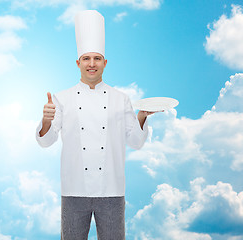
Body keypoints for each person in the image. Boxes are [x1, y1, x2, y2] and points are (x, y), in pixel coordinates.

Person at [36, 10, 156, 240]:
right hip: (73, 189)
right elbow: (46, 140)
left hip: (111, 190)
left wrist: (141, 116)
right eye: (87, 59)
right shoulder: (62, 98)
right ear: (78, 62)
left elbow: (135, 141)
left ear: (105, 62)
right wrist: (46, 120)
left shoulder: (121, 98)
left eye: (97, 58)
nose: (92, 64)